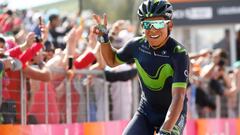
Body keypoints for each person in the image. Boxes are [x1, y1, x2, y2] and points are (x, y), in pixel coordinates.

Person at [92, 0, 189, 134]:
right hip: (146, 112)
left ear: (170, 25)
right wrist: (103, 36)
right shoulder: (136, 45)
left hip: (173, 114)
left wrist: (165, 130)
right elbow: (112, 60)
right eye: (147, 24)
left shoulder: (178, 53)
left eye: (158, 23)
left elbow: (179, 97)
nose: (152, 29)